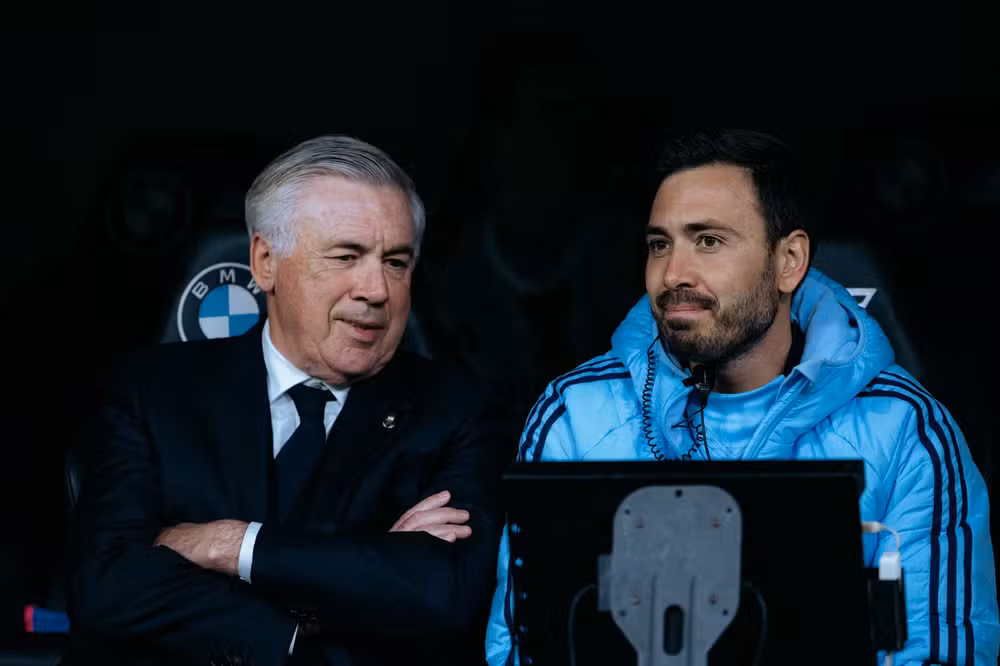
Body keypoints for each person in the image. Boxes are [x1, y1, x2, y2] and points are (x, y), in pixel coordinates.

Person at [484, 129, 999, 665]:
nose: (673, 273)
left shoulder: (905, 429)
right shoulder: (576, 415)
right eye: (660, 244)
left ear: (789, 260)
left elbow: (942, 653)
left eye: (708, 241)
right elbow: (522, 647)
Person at [62, 135, 514, 666]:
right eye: (346, 256)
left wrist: (232, 545)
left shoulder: (458, 411)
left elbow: (443, 596)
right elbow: (106, 588)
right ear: (265, 262)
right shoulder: (152, 392)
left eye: (396, 262)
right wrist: (308, 626)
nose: (377, 290)